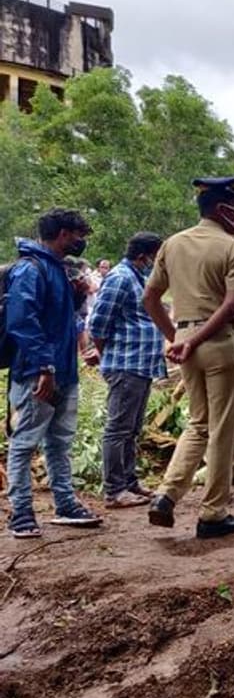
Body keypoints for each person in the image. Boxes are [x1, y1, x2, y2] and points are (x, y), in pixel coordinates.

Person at [143, 177, 234, 539]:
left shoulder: (172, 244)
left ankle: (166, 494)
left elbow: (151, 298)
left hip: (185, 341)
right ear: (223, 208)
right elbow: (232, 304)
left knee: (198, 423)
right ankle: (213, 512)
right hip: (220, 343)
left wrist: (178, 338)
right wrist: (196, 340)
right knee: (223, 430)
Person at [4, 208, 104, 538]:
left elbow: (59, 320)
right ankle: (21, 513)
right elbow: (22, 322)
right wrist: (44, 367)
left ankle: (65, 503)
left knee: (59, 443)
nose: (81, 242)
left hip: (63, 371)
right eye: (79, 236)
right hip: (37, 372)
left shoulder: (56, 269)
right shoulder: (30, 270)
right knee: (25, 443)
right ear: (63, 234)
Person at [88, 232, 167, 509]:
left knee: (132, 428)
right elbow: (98, 323)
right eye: (156, 257)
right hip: (125, 363)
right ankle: (114, 489)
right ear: (144, 256)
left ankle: (130, 481)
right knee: (118, 428)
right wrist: (103, 351)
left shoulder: (138, 277)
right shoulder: (120, 278)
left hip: (142, 365)